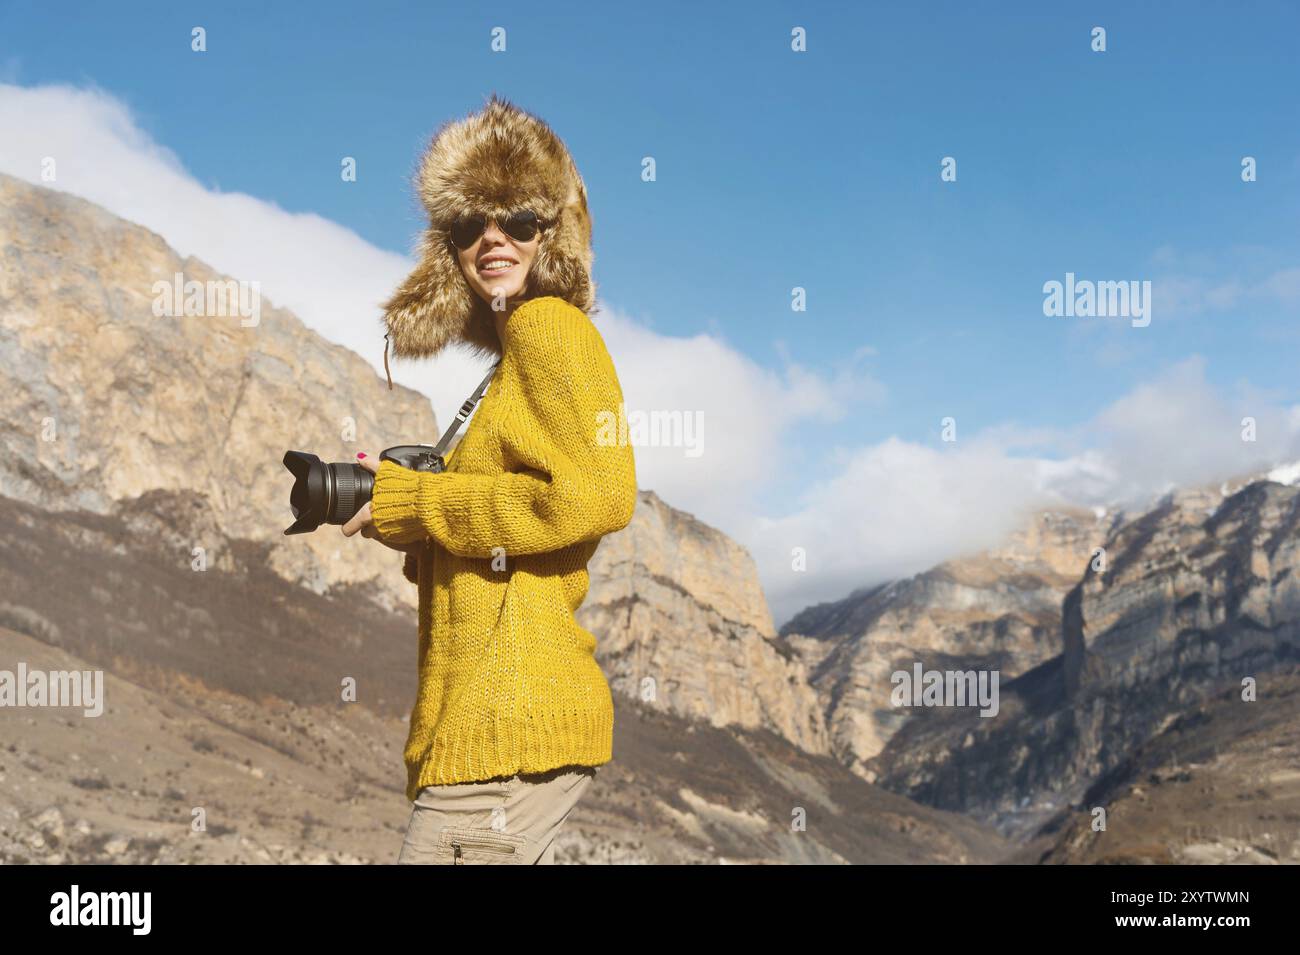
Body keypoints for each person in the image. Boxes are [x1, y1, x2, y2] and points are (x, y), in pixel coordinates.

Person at [341, 93, 637, 864]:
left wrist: (419, 499)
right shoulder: (512, 360)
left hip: (505, 726)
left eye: (519, 220)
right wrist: (404, 522)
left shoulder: (547, 327)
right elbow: (511, 539)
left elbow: (596, 495)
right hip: (489, 725)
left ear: (554, 233)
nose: (493, 239)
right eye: (471, 224)